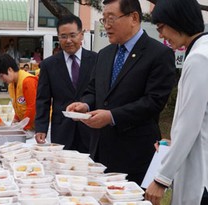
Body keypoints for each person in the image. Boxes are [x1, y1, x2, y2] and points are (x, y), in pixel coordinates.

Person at [66, 0, 176, 185]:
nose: (107, 25)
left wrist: (112, 116)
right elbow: (93, 90)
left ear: (133, 17)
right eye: (104, 19)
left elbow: (153, 102)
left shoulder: (159, 54)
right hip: (100, 151)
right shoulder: (104, 54)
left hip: (135, 155)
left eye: (111, 18)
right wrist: (84, 105)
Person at [144, 0, 208, 204]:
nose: (161, 35)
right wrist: (174, 143)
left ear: (178, 20)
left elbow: (190, 125)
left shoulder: (199, 58)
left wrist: (161, 179)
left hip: (201, 176)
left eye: (161, 28)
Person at [35, 15, 97, 153]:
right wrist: (41, 128)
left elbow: (100, 93)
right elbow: (43, 99)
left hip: (90, 129)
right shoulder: (48, 65)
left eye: (72, 35)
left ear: (82, 35)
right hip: (62, 130)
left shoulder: (96, 60)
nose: (68, 40)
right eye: (63, 36)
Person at [0, 54, 38, 131]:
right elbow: (19, 106)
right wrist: (15, 120)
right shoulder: (11, 85)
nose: (2, 80)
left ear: (10, 70)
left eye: (1, 76)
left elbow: (33, 107)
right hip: (28, 126)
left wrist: (24, 128)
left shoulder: (28, 81)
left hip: (37, 127)